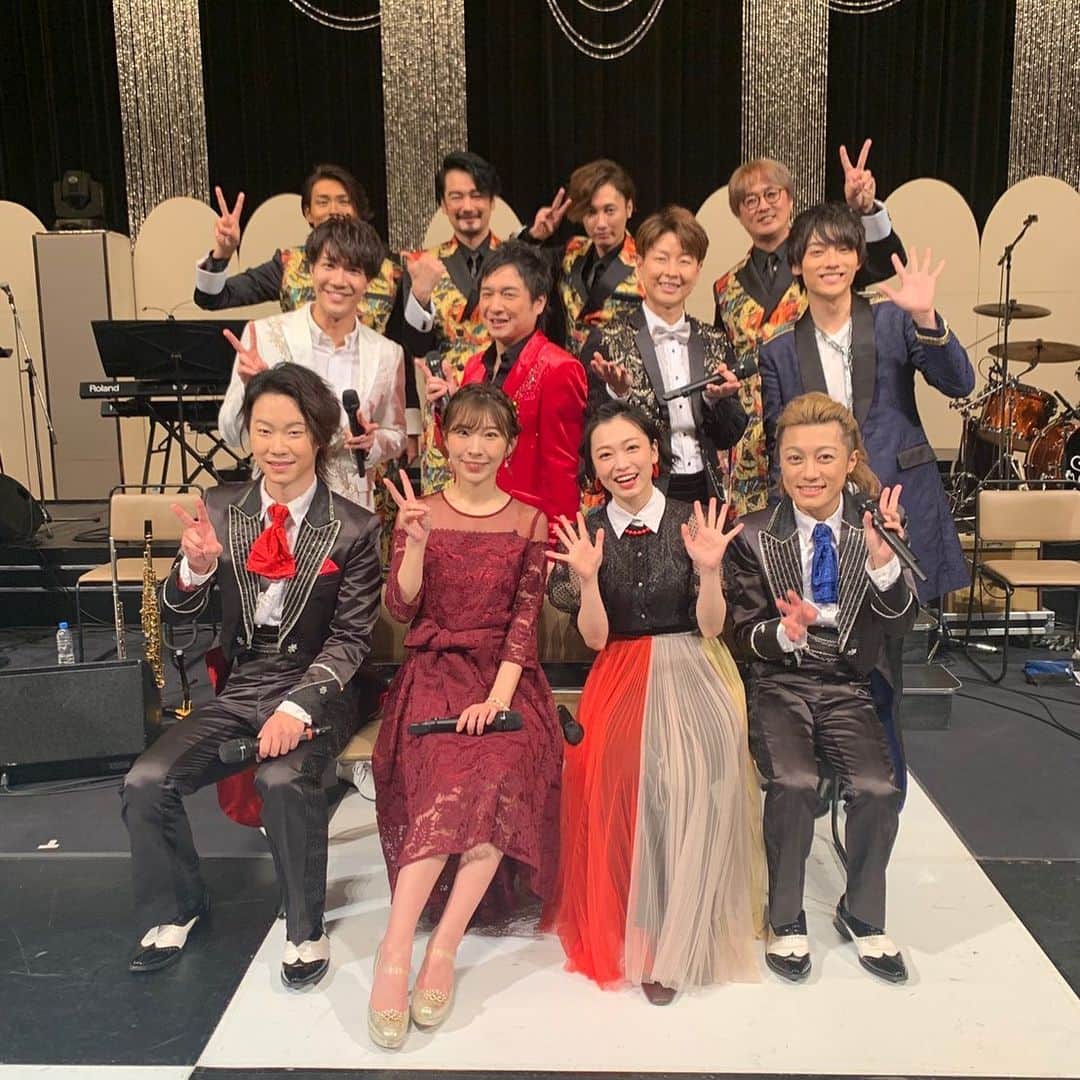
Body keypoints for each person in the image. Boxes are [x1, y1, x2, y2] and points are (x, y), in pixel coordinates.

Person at [121, 363, 382, 989]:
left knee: (283, 778)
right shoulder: (219, 509)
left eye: (292, 431)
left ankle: (305, 927)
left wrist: (296, 708)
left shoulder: (354, 526)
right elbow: (178, 612)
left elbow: (351, 638)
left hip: (319, 684)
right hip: (243, 681)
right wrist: (195, 571)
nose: (277, 446)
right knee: (146, 781)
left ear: (319, 436)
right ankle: (181, 904)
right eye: (264, 430)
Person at [545, 401, 763, 1004]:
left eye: (631, 448)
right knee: (617, 772)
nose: (621, 463)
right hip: (620, 667)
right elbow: (595, 639)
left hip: (696, 661)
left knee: (699, 769)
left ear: (654, 453)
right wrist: (588, 580)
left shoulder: (695, 520)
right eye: (605, 454)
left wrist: (710, 571)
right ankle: (642, 922)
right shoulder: (584, 531)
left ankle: (690, 915)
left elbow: (712, 627)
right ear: (593, 467)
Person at [370, 383, 562, 1048]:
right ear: (444, 440)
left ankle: (444, 946)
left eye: (490, 435)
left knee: (500, 769)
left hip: (505, 678)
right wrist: (415, 543)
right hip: (432, 671)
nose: (475, 448)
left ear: (509, 446)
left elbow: (524, 621)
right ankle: (395, 949)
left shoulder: (530, 520)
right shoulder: (418, 511)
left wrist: (498, 699)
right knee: (443, 771)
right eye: (463, 433)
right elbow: (401, 610)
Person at [724, 392, 916, 984]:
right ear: (779, 464)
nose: (810, 472)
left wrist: (883, 564)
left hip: (848, 682)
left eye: (825, 457)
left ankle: (861, 911)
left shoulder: (874, 526)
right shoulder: (754, 535)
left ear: (850, 460)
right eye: (795, 458)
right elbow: (742, 634)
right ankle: (785, 915)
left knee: (879, 788)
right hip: (781, 681)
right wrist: (784, 633)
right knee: (794, 783)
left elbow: (900, 622)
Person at [758, 201, 973, 603]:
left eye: (843, 249)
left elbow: (959, 384)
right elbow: (779, 446)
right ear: (796, 264)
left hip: (903, 495)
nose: (831, 262)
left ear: (858, 260)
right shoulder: (778, 350)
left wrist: (926, 316)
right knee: (828, 625)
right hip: (822, 514)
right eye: (817, 251)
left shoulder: (894, 318)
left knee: (907, 627)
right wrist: (779, 520)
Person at [713, 142, 906, 515]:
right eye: (750, 200)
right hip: (751, 442)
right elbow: (727, 361)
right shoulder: (725, 286)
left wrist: (866, 210)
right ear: (738, 212)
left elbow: (887, 263)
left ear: (790, 199)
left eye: (771, 194)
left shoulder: (824, 261)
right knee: (763, 536)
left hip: (815, 431)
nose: (762, 206)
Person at [217, 216, 405, 514]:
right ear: (311, 269)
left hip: (352, 511)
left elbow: (396, 433)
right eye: (329, 265)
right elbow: (230, 433)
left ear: (368, 280)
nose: (339, 281)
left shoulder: (387, 353)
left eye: (353, 270)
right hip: (278, 504)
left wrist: (373, 442)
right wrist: (248, 387)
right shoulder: (264, 335)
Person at [585, 207, 748, 507]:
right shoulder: (606, 340)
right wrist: (618, 394)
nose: (672, 272)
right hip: (639, 496)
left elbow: (729, 435)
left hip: (705, 493)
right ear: (639, 263)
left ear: (698, 269)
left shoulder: (714, 340)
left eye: (684, 261)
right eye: (661, 259)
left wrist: (716, 401)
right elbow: (591, 433)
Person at [423, 241, 587, 529]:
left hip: (527, 531)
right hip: (475, 521)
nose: (495, 306)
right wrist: (446, 407)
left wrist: (554, 544)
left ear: (539, 302)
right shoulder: (475, 367)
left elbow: (562, 472)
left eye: (508, 294)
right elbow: (458, 454)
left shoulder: (559, 368)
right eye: (487, 294)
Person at [192, 162, 402, 336]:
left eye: (343, 201)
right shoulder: (288, 264)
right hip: (301, 373)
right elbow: (212, 298)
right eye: (323, 202)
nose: (334, 210)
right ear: (308, 213)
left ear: (357, 209)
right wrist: (223, 253)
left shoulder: (390, 269)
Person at [400, 150, 504, 493]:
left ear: (492, 201)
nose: (467, 206)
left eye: (477, 195)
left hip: (505, 397)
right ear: (443, 205)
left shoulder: (516, 259)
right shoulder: (423, 264)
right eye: (456, 196)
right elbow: (414, 348)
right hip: (445, 404)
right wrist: (420, 295)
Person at [524, 159, 644, 355]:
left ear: (629, 208)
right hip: (570, 370)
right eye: (591, 212)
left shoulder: (645, 263)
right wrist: (535, 236)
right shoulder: (572, 251)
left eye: (610, 210)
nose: (601, 223)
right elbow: (518, 268)